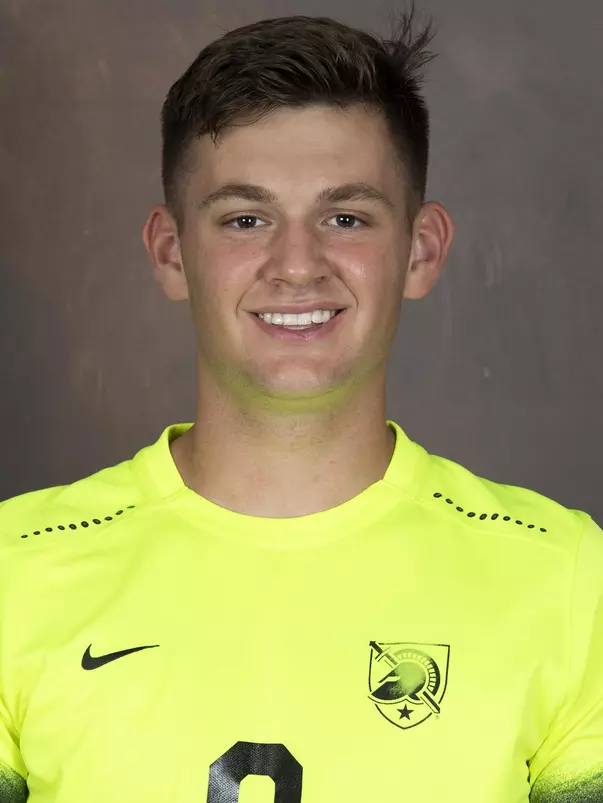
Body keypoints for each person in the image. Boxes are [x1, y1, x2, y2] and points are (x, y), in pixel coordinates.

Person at [1, 6, 601, 802]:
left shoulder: (565, 580)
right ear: (171, 252)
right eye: (245, 219)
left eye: (345, 218)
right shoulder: (15, 570)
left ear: (420, 251)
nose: (295, 264)